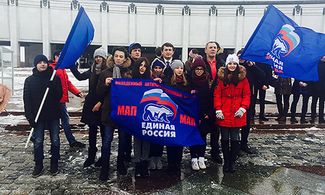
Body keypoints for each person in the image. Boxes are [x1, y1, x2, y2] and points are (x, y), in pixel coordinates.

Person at [23, 54, 62, 177]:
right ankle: (38, 164)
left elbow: (59, 95)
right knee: (38, 141)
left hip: (53, 115)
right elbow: (27, 100)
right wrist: (30, 118)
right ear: (36, 64)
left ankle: (54, 163)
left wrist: (53, 87)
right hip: (37, 116)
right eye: (39, 62)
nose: (43, 64)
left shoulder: (54, 78)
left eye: (44, 62)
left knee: (55, 141)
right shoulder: (29, 80)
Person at [97, 47, 132, 180]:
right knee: (107, 141)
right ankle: (105, 168)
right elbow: (98, 92)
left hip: (124, 113)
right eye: (116, 56)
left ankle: (120, 163)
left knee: (123, 141)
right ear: (113, 58)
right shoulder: (105, 73)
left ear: (125, 59)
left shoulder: (129, 73)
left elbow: (134, 92)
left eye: (121, 56)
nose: (118, 58)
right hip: (109, 112)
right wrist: (105, 84)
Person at [70, 47, 108, 168]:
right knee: (92, 131)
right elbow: (80, 77)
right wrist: (72, 66)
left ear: (104, 58)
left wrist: (101, 102)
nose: (98, 59)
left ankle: (103, 156)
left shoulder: (107, 71)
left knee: (103, 131)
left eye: (100, 57)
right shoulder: (91, 70)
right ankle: (91, 155)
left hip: (102, 103)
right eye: (96, 57)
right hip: (91, 103)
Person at [214, 54, 250, 173]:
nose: (232, 66)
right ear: (226, 65)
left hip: (237, 113)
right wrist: (218, 109)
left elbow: (247, 95)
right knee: (224, 138)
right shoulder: (221, 79)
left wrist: (243, 108)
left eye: (234, 63)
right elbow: (217, 95)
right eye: (230, 63)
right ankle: (226, 161)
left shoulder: (243, 79)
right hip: (224, 113)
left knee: (235, 138)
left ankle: (232, 161)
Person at [50, 51, 85, 148]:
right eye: (61, 56)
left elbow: (67, 83)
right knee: (56, 123)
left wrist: (77, 92)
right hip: (55, 102)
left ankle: (70, 141)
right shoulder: (52, 68)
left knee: (65, 121)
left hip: (62, 100)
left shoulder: (62, 68)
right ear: (56, 57)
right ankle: (55, 145)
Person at [166, 59, 192, 176]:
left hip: (182, 115)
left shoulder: (186, 83)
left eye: (181, 68)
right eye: (177, 68)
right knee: (171, 139)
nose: (179, 70)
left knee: (180, 139)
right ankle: (171, 163)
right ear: (173, 69)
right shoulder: (169, 82)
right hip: (171, 114)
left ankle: (177, 162)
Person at [237, 49, 265, 154]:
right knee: (236, 122)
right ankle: (235, 143)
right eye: (240, 57)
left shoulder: (250, 66)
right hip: (236, 98)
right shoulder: (234, 67)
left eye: (243, 57)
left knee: (246, 122)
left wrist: (253, 66)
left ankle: (244, 143)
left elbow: (262, 75)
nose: (241, 59)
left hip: (249, 98)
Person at [189, 57, 212, 171]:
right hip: (192, 114)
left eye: (201, 69)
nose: (199, 71)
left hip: (205, 114)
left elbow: (211, 99)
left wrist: (208, 113)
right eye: (197, 69)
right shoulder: (189, 81)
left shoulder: (207, 81)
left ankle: (201, 157)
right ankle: (193, 158)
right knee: (193, 137)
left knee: (202, 137)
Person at [202, 41, 224, 164]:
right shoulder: (201, 63)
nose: (213, 49)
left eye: (215, 47)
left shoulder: (222, 63)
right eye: (210, 47)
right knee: (203, 129)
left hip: (218, 98)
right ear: (205, 50)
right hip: (205, 98)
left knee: (216, 129)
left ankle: (215, 152)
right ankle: (201, 153)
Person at [132, 57, 151, 177]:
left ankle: (145, 163)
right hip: (135, 113)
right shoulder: (131, 80)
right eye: (140, 65)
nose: (142, 67)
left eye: (144, 65)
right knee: (137, 140)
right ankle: (137, 163)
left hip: (146, 114)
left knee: (147, 139)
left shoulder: (150, 81)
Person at [148, 58, 166, 170]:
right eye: (156, 68)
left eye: (160, 68)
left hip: (161, 109)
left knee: (160, 135)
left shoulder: (166, 79)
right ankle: (151, 157)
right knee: (151, 135)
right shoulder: (148, 79)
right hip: (151, 109)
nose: (158, 70)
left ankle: (158, 157)